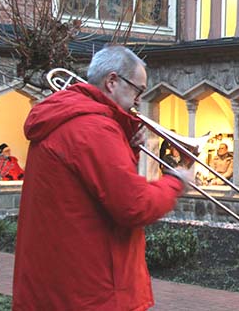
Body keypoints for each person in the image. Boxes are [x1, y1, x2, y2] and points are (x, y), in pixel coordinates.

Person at [13, 45, 190, 311]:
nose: (140, 100)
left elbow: (92, 192)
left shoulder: (71, 118)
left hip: (56, 286)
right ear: (111, 81)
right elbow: (134, 205)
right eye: (138, 90)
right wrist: (175, 182)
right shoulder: (94, 128)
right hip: (92, 291)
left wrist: (126, 146)